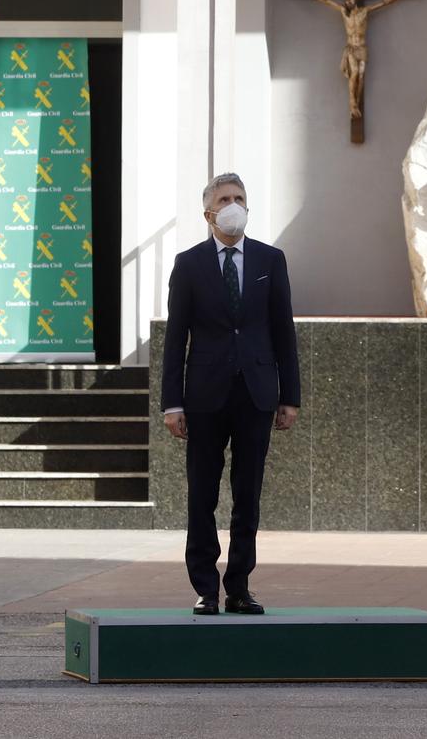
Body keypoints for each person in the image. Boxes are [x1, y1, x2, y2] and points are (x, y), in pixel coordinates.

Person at [160, 173, 301, 615]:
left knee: (248, 493)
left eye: (239, 197)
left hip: (256, 393)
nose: (233, 204)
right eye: (225, 198)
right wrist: (172, 402)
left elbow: (283, 330)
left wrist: (289, 396)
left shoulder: (270, 260)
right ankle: (205, 586)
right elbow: (175, 337)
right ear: (209, 212)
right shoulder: (189, 264)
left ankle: (239, 586)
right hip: (203, 396)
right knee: (202, 493)